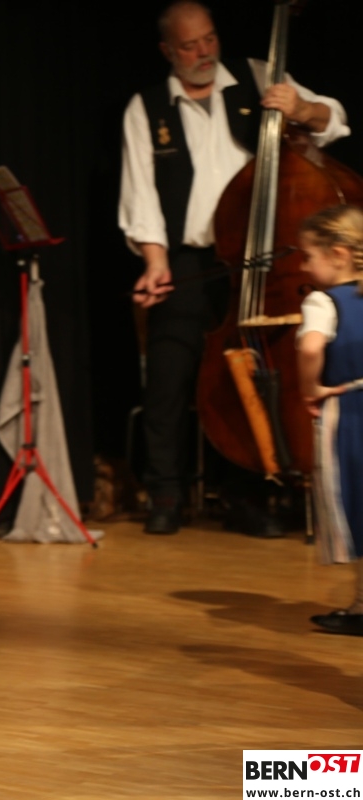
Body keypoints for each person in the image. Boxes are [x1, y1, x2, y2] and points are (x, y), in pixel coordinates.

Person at [119, 0, 350, 535]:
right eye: (189, 45)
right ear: (167, 50)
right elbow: (140, 193)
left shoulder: (258, 75)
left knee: (256, 374)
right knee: (171, 376)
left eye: (209, 39)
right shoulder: (147, 107)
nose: (203, 52)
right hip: (190, 258)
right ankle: (165, 494)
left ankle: (245, 495)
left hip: (263, 258)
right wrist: (155, 262)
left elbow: (334, 121)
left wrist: (302, 108)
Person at [294, 205, 363, 635]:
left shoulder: (323, 301)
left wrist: (311, 388)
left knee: (357, 502)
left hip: (352, 412)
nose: (303, 266)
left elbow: (310, 348)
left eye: (308, 256)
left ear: (338, 254)